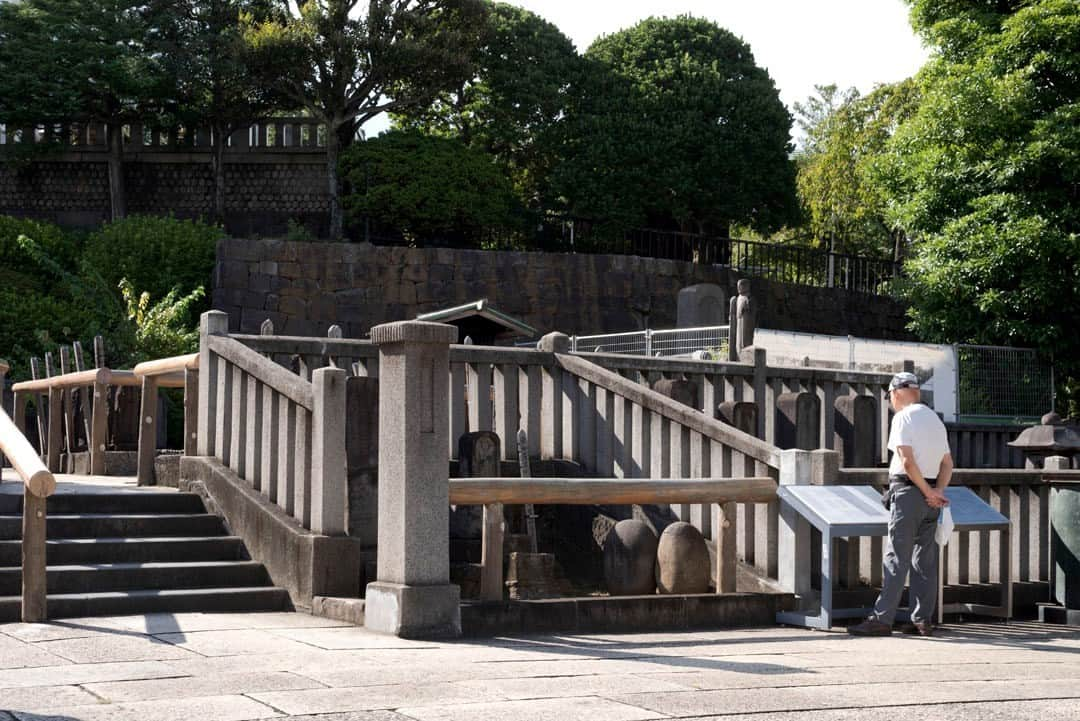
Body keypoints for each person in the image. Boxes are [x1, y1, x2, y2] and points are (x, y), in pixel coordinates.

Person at [848, 371, 953, 637]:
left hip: (908, 492)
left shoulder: (903, 417)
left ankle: (882, 618)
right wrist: (936, 491)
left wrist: (926, 490)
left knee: (897, 556)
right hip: (931, 499)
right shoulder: (935, 420)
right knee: (925, 560)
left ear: (896, 393)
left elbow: (906, 461)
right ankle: (922, 620)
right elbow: (947, 463)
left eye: (890, 397)